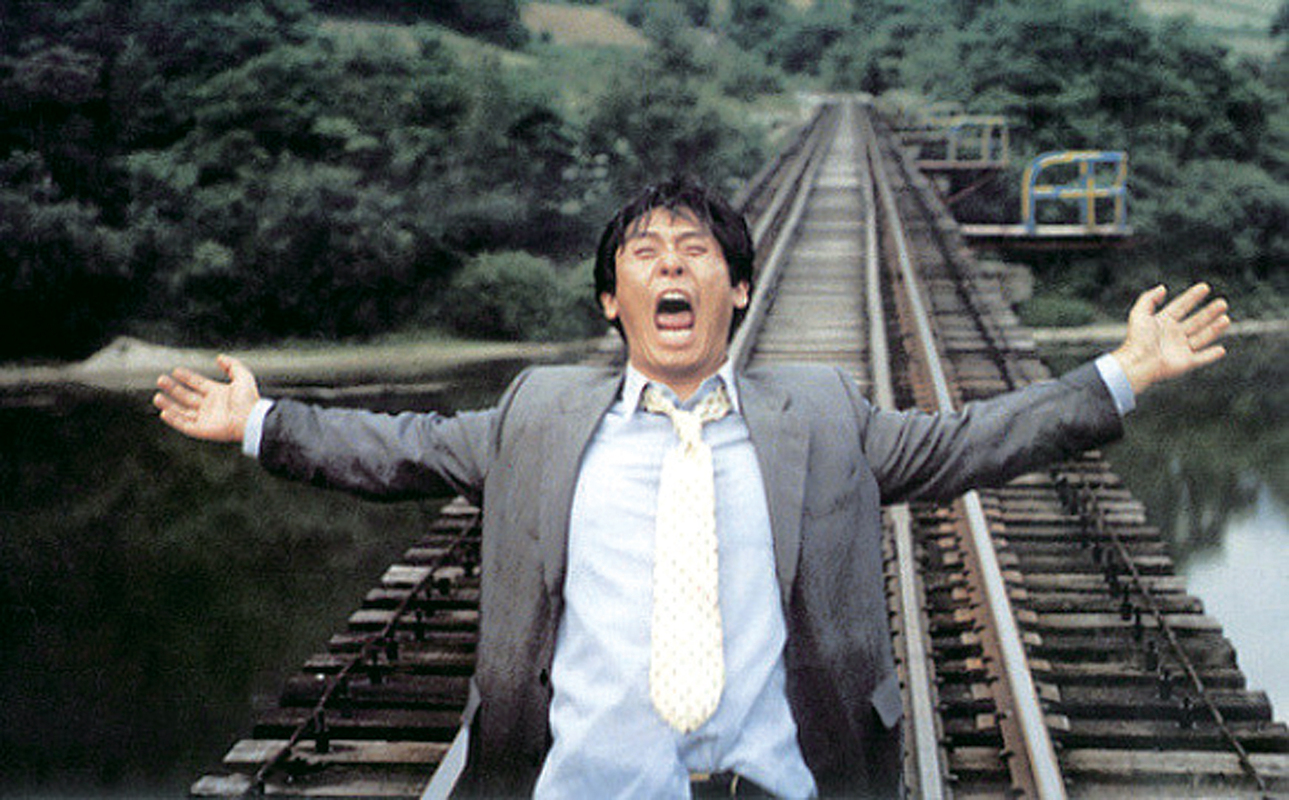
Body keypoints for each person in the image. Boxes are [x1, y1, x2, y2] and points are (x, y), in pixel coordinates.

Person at [155, 178, 1230, 799]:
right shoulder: (538, 413)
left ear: (740, 287)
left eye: (697, 250)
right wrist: (259, 421)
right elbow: (400, 450)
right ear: (610, 301)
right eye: (644, 252)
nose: (670, 264)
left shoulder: (822, 412)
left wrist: (1119, 375)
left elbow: (966, 440)